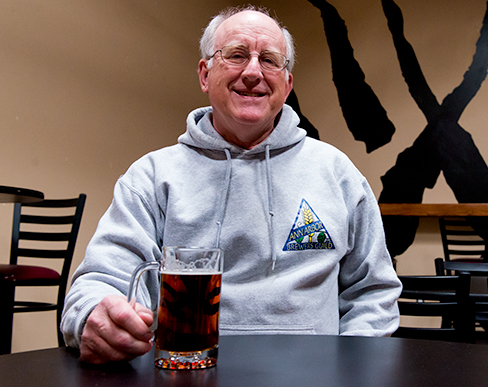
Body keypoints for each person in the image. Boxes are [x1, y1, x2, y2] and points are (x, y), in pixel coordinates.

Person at [61, 5, 402, 364]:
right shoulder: (150, 177)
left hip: (311, 377)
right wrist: (94, 316)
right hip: (185, 372)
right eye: (237, 55)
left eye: (269, 60)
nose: (253, 72)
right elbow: (100, 282)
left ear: (286, 85)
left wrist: (349, 369)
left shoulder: (338, 173)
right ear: (205, 74)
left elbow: (373, 291)